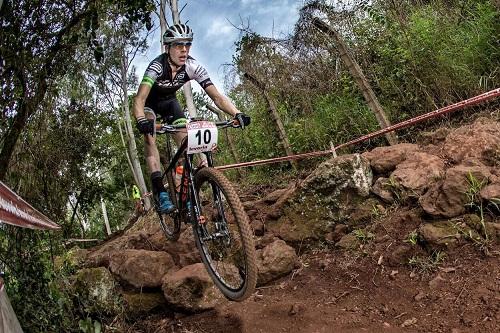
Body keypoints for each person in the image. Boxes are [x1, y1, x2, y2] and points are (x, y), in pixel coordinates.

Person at [133, 23, 250, 214]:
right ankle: (160, 192)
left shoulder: (192, 66)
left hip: (170, 104)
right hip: (150, 106)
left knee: (186, 142)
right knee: (149, 136)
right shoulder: (156, 66)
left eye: (187, 44)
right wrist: (140, 120)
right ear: (167, 47)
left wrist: (237, 113)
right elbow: (139, 99)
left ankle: (186, 192)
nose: (184, 50)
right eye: (178, 45)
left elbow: (217, 96)